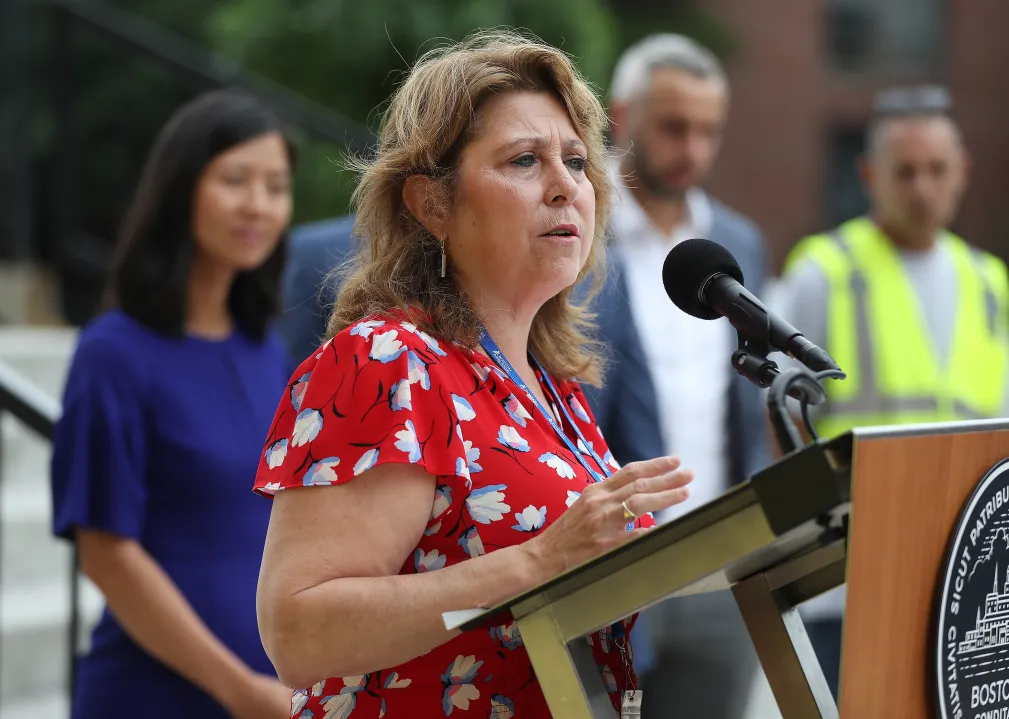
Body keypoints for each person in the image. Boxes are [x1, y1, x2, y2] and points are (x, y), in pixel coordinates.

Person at [253, 30, 695, 718]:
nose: (564, 186)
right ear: (431, 204)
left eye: (576, 161)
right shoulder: (384, 362)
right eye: (524, 160)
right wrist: (540, 559)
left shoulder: (554, 389)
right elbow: (298, 633)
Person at [50, 89, 296, 719]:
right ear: (181, 189)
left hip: (275, 693)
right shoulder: (114, 352)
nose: (258, 205)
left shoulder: (267, 349)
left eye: (275, 186)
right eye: (235, 180)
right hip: (156, 696)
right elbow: (106, 552)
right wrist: (240, 691)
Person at [774, 84, 1009, 700]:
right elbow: (772, 425)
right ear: (869, 173)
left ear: (963, 173)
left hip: (962, 573)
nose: (923, 187)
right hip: (848, 578)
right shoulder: (825, 272)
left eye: (937, 170)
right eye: (906, 171)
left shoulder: (989, 283)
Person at [595, 33, 773, 718]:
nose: (692, 148)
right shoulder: (570, 227)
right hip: (609, 565)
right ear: (621, 116)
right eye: (673, 126)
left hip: (719, 560)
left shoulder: (738, 241)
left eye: (709, 130)